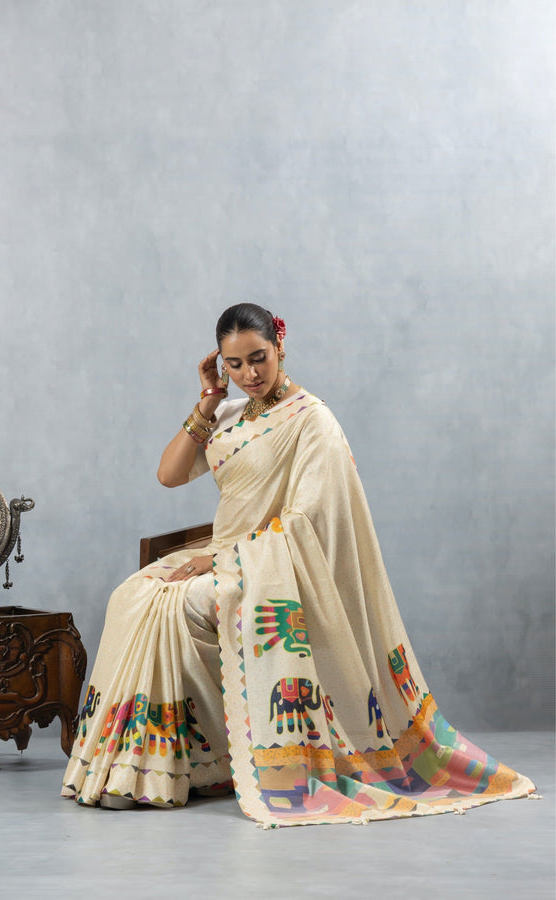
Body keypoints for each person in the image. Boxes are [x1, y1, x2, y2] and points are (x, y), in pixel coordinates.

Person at [62, 303, 536, 826]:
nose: (250, 374)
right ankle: (143, 767)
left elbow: (310, 521)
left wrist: (220, 559)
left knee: (182, 605)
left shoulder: (313, 420)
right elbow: (168, 475)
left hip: (274, 566)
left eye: (258, 358)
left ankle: (169, 768)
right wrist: (209, 400)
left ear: (280, 347)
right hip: (222, 554)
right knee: (133, 596)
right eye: (235, 364)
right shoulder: (228, 413)